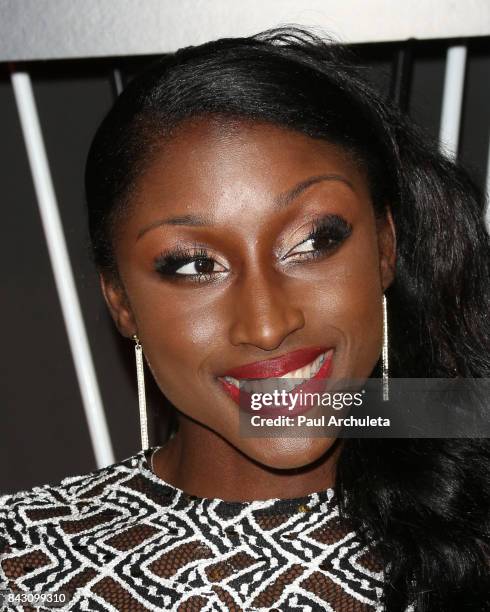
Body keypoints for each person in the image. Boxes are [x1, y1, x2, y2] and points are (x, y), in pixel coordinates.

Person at [1, 27, 489, 612]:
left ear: (385, 246)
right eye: (192, 265)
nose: (265, 324)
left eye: (313, 241)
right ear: (120, 301)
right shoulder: (20, 563)